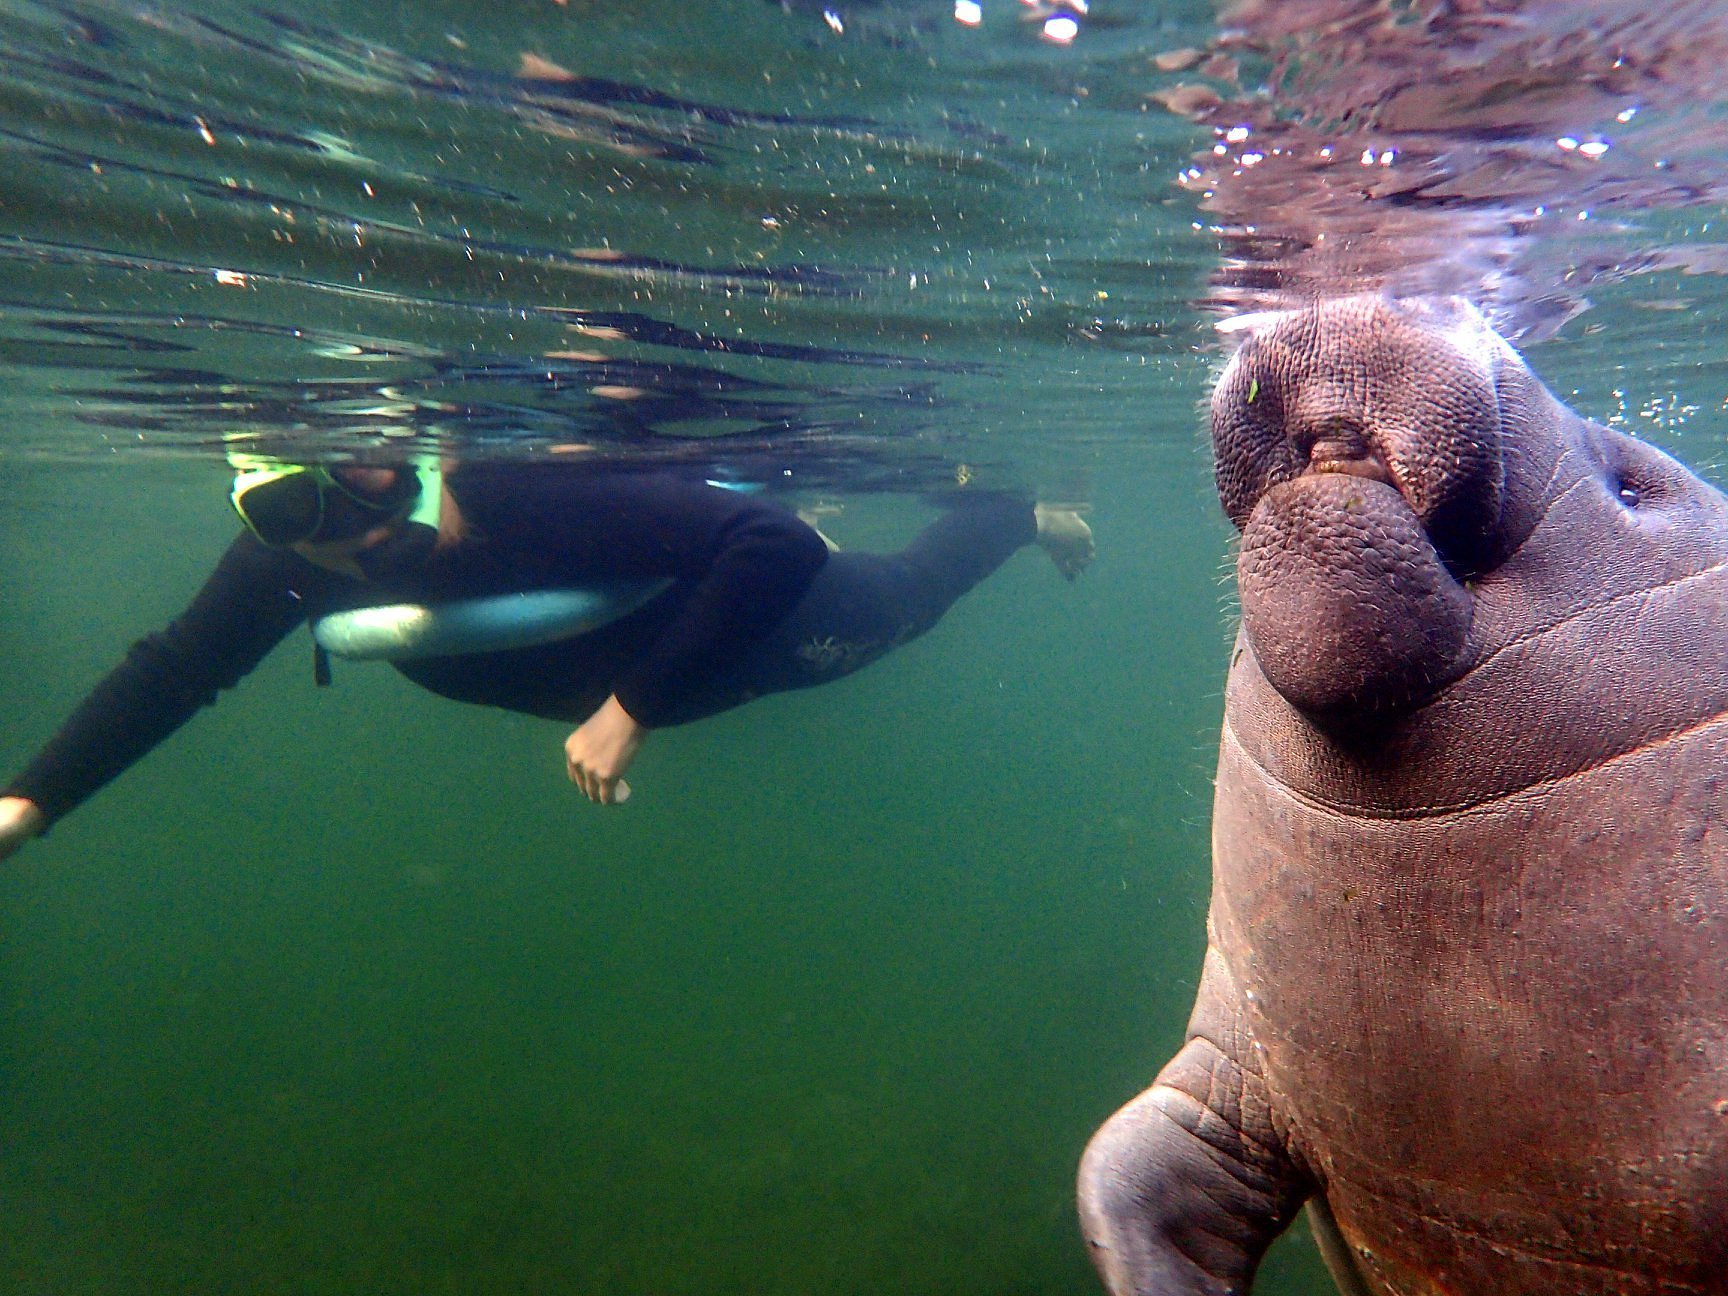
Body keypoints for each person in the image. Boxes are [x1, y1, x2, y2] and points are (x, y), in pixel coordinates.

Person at [0, 456, 1092, 860]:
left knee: (909, 599)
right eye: (293, 503)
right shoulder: (289, 570)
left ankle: (1016, 514)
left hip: (760, 618)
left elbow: (774, 543)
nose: (351, 515)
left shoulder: (514, 490)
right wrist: (28, 804)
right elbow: (174, 671)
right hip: (678, 674)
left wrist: (629, 710)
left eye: (367, 471)